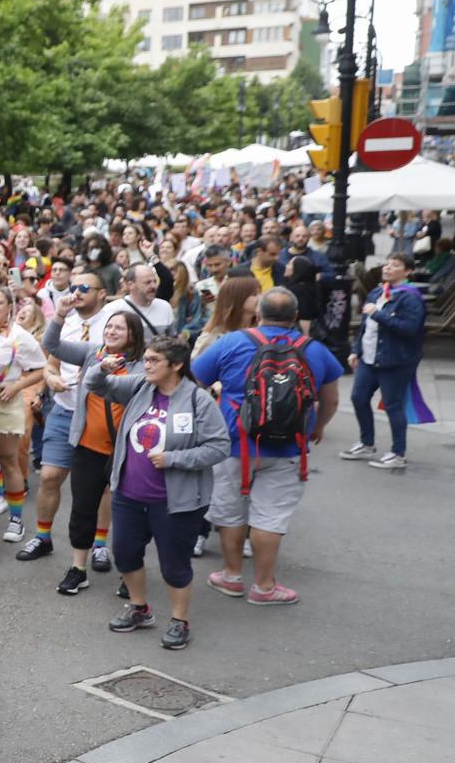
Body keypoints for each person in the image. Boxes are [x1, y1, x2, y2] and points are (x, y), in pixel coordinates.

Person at [191, 288, 342, 607]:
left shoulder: (232, 342)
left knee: (231, 511)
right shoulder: (314, 350)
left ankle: (231, 576)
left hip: (234, 441)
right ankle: (264, 585)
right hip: (289, 446)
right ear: (295, 317)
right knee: (270, 516)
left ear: (258, 314)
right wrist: (318, 427)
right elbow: (331, 399)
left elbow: (195, 380)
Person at [89, 335, 231, 651]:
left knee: (174, 563)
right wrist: (102, 368)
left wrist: (174, 459)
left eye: (154, 360)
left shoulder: (198, 400)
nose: (147, 365)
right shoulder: (141, 387)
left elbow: (220, 447)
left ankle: (180, 621)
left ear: (176, 365)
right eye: (147, 359)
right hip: (128, 493)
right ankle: (140, 609)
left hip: (175, 501)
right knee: (124, 553)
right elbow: (96, 386)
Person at [43, 299, 146, 596]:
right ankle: (78, 569)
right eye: (109, 326)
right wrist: (60, 314)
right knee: (83, 509)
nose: (111, 331)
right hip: (87, 447)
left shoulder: (142, 364)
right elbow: (52, 344)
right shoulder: (92, 353)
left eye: (119, 328)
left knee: (131, 514)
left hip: (126, 453)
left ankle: (130, 574)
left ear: (133, 335)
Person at [18, 269, 117, 566]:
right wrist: (52, 379)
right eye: (73, 287)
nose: (77, 291)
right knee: (49, 476)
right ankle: (43, 536)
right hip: (63, 409)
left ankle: (100, 544)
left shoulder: (112, 325)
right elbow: (50, 364)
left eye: (85, 286)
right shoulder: (66, 323)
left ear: (102, 293)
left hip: (100, 412)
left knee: (102, 484)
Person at [341, 252, 426, 473]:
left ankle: (398, 453)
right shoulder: (378, 292)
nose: (387, 268)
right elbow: (364, 327)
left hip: (395, 361)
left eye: (395, 265)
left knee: (393, 405)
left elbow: (409, 329)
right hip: (369, 358)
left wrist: (378, 314)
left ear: (407, 271)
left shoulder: (410, 297)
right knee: (358, 398)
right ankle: (367, 444)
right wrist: (355, 350)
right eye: (387, 264)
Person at [0, 288, 45, 543]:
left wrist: (17, 386)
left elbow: (41, 368)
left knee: (8, 460)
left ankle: (16, 521)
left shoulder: (20, 336)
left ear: (9, 307)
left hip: (4, 400)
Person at [194, 274, 260, 354]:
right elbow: (196, 363)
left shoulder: (261, 330)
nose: (260, 298)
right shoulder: (214, 336)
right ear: (238, 299)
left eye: (260, 293)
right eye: (254, 294)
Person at [109, 263, 174, 337]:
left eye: (155, 281)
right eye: (147, 282)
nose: (153, 286)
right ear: (131, 285)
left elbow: (172, 341)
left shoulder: (165, 307)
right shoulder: (113, 309)